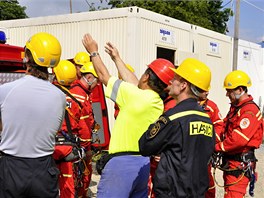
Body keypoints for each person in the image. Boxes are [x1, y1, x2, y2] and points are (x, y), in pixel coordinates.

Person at [82, 33, 175, 198]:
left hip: (121, 164)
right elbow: (134, 84)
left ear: (146, 76)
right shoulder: (156, 102)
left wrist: (94, 52)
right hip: (142, 164)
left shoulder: (134, 95)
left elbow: (104, 76)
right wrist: (116, 58)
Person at [0, 32, 65, 198]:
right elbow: (54, 128)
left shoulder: (6, 90)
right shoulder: (59, 96)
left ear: (27, 58)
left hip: (12, 168)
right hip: (44, 169)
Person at [139, 58, 216, 197]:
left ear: (183, 85)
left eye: (175, 78)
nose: (170, 82)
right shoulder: (207, 120)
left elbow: (145, 145)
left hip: (172, 192)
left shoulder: (173, 117)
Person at [215, 70, 263, 198]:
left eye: (229, 91)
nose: (226, 94)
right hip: (232, 162)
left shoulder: (249, 110)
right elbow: (225, 125)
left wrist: (217, 147)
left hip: (239, 164)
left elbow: (239, 139)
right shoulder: (237, 108)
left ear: (240, 90)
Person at [67, 61, 99, 197]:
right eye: (97, 81)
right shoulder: (81, 96)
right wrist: (88, 149)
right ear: (90, 78)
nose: (97, 85)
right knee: (83, 175)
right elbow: (84, 127)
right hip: (80, 146)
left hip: (72, 143)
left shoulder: (75, 91)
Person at [52, 59, 80, 198]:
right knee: (67, 184)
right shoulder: (76, 99)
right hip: (68, 148)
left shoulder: (47, 95)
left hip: (49, 147)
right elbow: (83, 127)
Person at [197, 89, 224, 198]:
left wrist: (210, 141)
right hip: (187, 153)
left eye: (207, 90)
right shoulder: (185, 103)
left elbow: (219, 126)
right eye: (203, 90)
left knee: (207, 183)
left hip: (204, 155)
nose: (207, 93)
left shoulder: (211, 107)